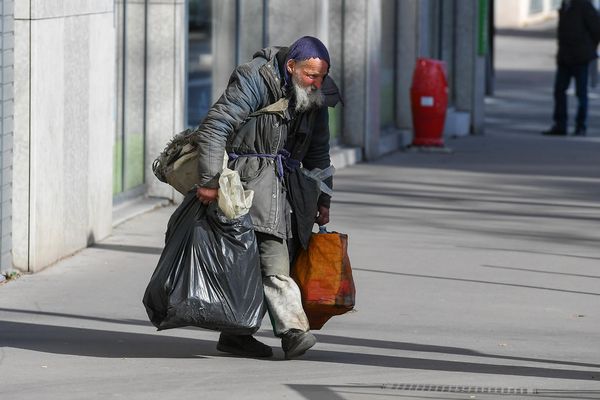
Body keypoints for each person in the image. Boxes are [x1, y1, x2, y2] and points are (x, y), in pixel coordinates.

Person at [193, 36, 341, 359]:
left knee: (266, 256)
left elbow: (319, 153)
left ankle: (236, 334)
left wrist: (324, 201)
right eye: (310, 75)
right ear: (291, 67)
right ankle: (292, 330)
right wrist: (209, 181)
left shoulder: (317, 95)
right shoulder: (254, 78)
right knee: (273, 252)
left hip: (290, 185)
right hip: (249, 178)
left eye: (322, 76)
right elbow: (216, 126)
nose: (317, 83)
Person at [543, 0, 600, 136]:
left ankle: (581, 126)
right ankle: (560, 124)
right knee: (559, 91)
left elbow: (596, 29)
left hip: (580, 57)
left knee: (581, 93)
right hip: (564, 57)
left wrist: (588, 48)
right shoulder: (565, 6)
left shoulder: (583, 4)